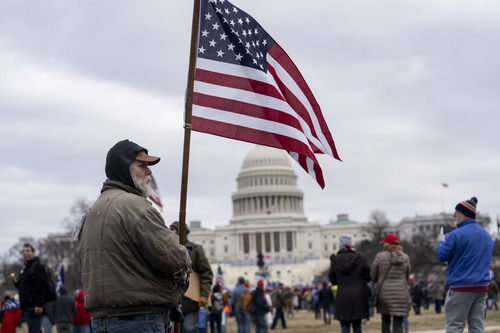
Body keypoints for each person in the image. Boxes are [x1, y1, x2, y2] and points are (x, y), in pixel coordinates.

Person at [77, 139, 191, 333]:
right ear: (124, 168)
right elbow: (175, 258)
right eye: (142, 166)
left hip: (100, 321)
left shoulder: (91, 212)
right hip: (138, 320)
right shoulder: (136, 207)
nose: (149, 172)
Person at [436, 197, 494, 333]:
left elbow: (442, 256)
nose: (454, 215)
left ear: (464, 215)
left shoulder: (455, 235)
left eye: (456, 212)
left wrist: (441, 242)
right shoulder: (487, 236)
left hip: (460, 286)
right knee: (477, 326)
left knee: (455, 326)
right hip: (481, 287)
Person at [169, 221, 214, 333]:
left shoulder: (196, 250)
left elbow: (206, 274)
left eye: (173, 230)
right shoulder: (167, 250)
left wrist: (204, 295)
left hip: (190, 302)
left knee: (189, 329)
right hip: (172, 302)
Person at [329, 234, 370, 333]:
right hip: (358, 294)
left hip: (343, 294)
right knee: (357, 324)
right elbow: (368, 276)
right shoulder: (360, 258)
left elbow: (332, 279)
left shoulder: (335, 260)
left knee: (344, 324)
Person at [10, 243, 56, 333]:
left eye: (28, 251)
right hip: (27, 308)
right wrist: (16, 283)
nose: (25, 253)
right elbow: (25, 288)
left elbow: (42, 287)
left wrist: (39, 305)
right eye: (23, 251)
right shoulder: (26, 268)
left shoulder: (37, 266)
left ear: (33, 253)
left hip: (34, 309)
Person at [370, 233, 411, 333]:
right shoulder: (405, 258)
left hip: (385, 294)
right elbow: (407, 276)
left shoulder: (380, 257)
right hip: (401, 293)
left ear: (386, 244)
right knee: (398, 323)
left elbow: (372, 276)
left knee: (385, 320)